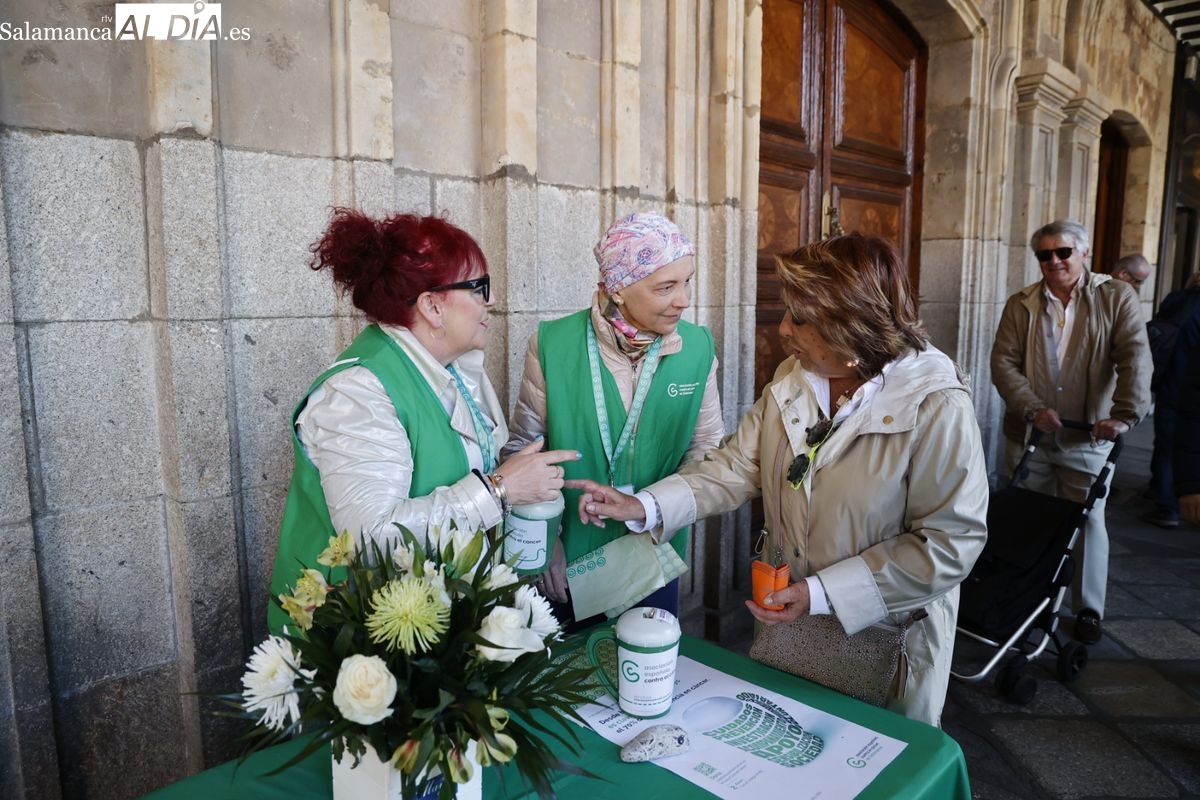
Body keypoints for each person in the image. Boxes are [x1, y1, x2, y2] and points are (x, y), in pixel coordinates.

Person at [567, 233, 988, 726]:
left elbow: (950, 543)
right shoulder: (795, 375)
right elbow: (735, 465)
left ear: (851, 322)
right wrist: (642, 506)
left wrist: (823, 593)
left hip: (884, 640)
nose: (784, 329)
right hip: (790, 629)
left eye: (801, 318)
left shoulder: (936, 404)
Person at [267, 209, 579, 634]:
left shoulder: (451, 367)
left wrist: (537, 514)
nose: (489, 301)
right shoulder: (358, 392)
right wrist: (502, 489)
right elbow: (371, 541)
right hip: (361, 641)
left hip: (432, 622)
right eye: (478, 288)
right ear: (433, 305)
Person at [504, 212, 724, 627]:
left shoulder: (697, 347)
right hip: (566, 558)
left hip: (651, 551)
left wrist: (653, 510)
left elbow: (708, 452)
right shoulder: (553, 343)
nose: (684, 299)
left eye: (687, 281)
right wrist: (543, 540)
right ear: (619, 290)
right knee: (570, 679)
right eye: (666, 287)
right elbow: (522, 451)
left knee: (647, 676)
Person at [991, 219, 1152, 646]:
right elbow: (1003, 363)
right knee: (1032, 519)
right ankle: (1033, 600)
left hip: (1090, 436)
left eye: (1063, 252)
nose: (1054, 261)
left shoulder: (1115, 296)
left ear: (1083, 253)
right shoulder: (1021, 303)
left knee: (1089, 519)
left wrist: (1124, 415)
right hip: (1034, 437)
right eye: (1045, 254)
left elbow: (1134, 355)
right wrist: (1031, 408)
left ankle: (1088, 609)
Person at [1153, 272, 1200, 528]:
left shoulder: (1178, 300)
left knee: (1167, 443)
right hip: (1185, 383)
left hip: (1173, 380)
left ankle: (1167, 504)